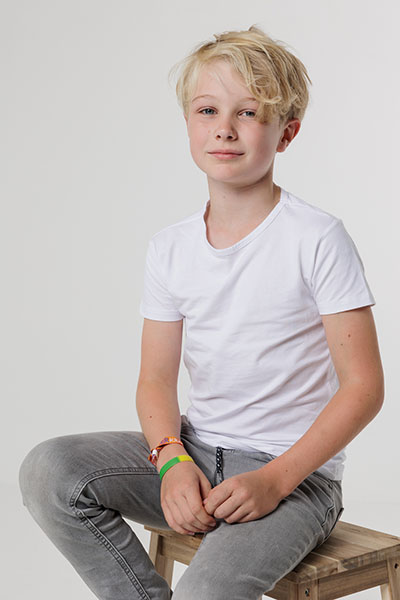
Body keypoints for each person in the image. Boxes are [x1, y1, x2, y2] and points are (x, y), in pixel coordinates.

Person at [19, 24, 384, 600]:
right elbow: (155, 378)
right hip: (193, 451)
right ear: (189, 122)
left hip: (293, 478)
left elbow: (363, 387)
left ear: (286, 133)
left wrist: (274, 480)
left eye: (249, 113)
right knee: (49, 470)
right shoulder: (171, 247)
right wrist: (170, 460)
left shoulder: (316, 238)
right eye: (208, 109)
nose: (224, 128)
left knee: (205, 593)